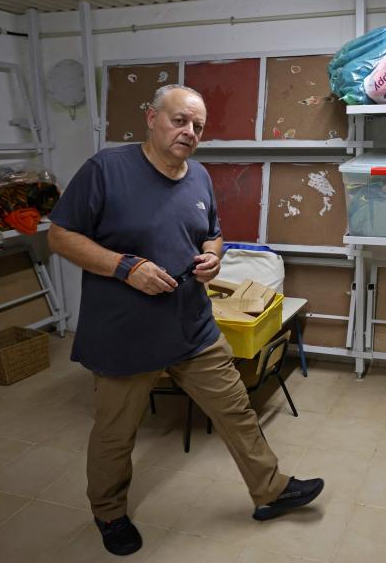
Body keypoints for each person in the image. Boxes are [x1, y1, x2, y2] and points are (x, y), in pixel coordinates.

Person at [48, 84, 323, 556]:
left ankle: (270, 491)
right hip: (125, 333)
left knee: (236, 410)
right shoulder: (106, 171)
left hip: (192, 326)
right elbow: (59, 236)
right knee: (117, 433)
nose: (189, 132)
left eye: (197, 125)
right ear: (152, 119)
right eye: (179, 120)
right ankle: (109, 513)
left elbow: (212, 236)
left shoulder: (198, 177)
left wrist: (213, 258)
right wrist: (124, 267)